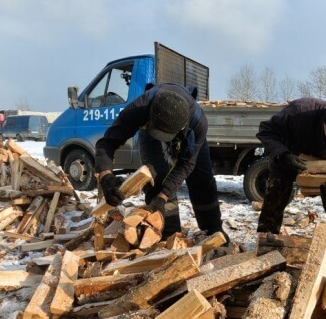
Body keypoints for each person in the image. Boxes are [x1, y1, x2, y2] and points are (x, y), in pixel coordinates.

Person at [95, 83, 229, 242]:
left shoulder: (198, 123)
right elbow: (106, 143)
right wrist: (106, 178)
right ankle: (167, 234)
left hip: (187, 132)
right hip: (149, 129)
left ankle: (213, 228)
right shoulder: (138, 109)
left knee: (202, 180)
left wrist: (162, 198)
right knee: (154, 176)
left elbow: (187, 164)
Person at [256, 95, 326, 235]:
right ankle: (266, 238)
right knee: (275, 198)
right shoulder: (300, 111)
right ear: (325, 119)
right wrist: (283, 154)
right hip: (288, 156)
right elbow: (266, 130)